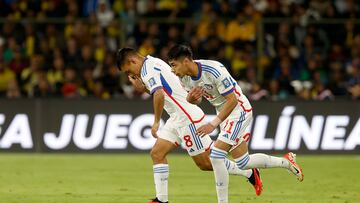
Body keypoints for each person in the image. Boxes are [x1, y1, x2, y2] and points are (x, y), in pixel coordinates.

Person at [115, 48, 262, 203]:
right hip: (176, 117)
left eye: (128, 70)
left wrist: (156, 121)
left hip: (187, 118)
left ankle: (250, 173)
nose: (129, 75)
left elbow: (159, 94)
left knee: (206, 163)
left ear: (133, 61)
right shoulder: (152, 61)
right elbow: (163, 89)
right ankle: (161, 200)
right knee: (157, 154)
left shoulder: (147, 71)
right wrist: (142, 87)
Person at [167, 45, 304, 203]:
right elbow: (197, 99)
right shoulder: (184, 78)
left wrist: (213, 124)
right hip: (224, 113)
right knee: (243, 162)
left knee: (216, 155)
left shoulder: (214, 70)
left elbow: (232, 100)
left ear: (185, 61)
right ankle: (286, 162)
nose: (172, 70)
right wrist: (191, 100)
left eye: (173, 65)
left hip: (239, 110)